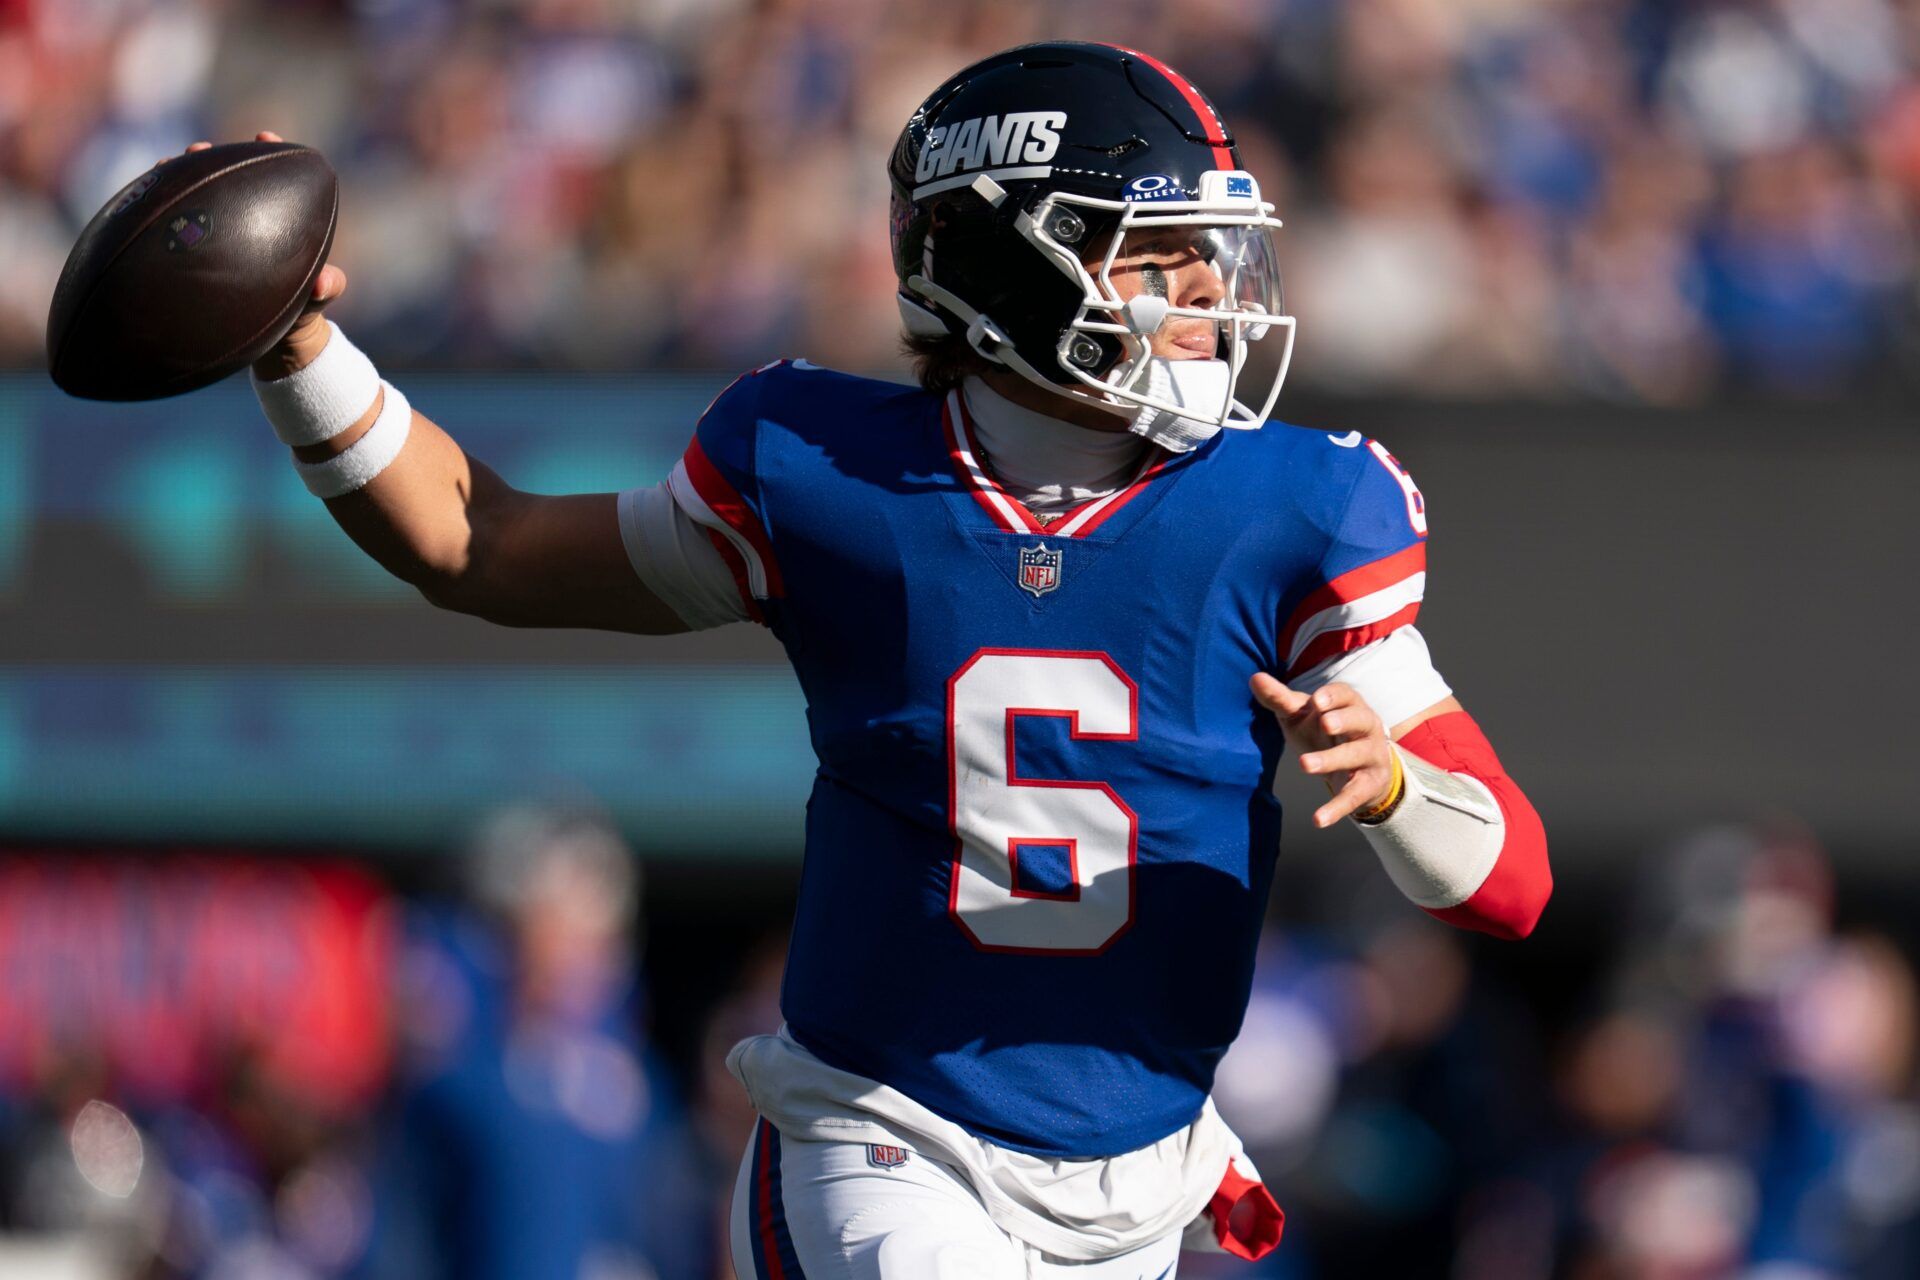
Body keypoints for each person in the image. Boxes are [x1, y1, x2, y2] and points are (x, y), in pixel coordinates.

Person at [195, 40, 1551, 1279]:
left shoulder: (1295, 512)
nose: (1206, 294)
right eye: (1153, 255)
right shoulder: (824, 473)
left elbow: (1515, 884)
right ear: (1005, 261)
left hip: (1142, 1182)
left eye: (1210, 254)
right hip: (885, 1139)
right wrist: (297, 346)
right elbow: (478, 543)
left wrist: (1388, 790)